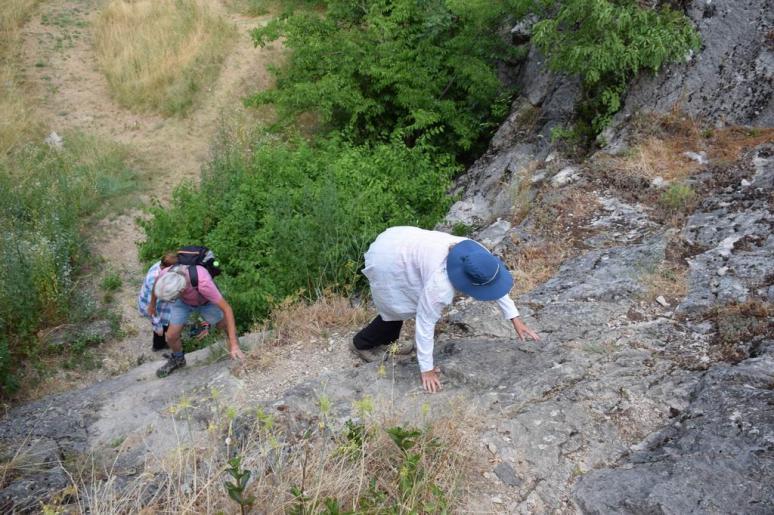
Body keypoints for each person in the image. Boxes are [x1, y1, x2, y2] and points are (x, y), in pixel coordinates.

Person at [353, 226, 540, 393]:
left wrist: (515, 318)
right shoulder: (440, 286)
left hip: (405, 243)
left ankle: (388, 341)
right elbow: (425, 323)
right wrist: (427, 370)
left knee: (404, 304)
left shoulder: (475, 254)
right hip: (390, 258)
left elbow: (491, 279)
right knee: (397, 305)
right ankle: (362, 344)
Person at [150, 263, 244, 377]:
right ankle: (178, 359)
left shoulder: (204, 283)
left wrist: (233, 344)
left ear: (181, 290)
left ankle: (236, 351)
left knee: (223, 325)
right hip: (182, 302)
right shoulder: (166, 275)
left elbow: (227, 309)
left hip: (206, 302)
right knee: (171, 336)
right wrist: (152, 304)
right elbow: (156, 285)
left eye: (171, 299)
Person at [137, 252, 178, 351]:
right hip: (153, 306)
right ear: (167, 268)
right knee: (161, 329)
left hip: (162, 306)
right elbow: (152, 308)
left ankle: (162, 342)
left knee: (166, 324)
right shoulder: (154, 279)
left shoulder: (160, 264)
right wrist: (157, 326)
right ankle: (158, 346)